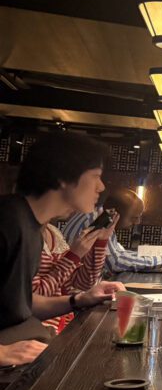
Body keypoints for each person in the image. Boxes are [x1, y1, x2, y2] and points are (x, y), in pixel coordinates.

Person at [0, 133, 122, 367]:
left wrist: (79, 299)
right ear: (63, 176)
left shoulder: (32, 227)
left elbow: (21, 305)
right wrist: (2, 353)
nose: (102, 186)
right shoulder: (8, 220)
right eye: (96, 176)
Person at [63, 187, 162, 274]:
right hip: (71, 296)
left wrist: (161, 255)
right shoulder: (95, 222)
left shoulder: (100, 216)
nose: (137, 222)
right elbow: (115, 263)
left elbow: (119, 253)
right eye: (134, 217)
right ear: (116, 212)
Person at [34, 212, 117, 333]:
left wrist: (100, 241)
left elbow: (82, 283)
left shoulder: (53, 232)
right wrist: (74, 256)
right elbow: (33, 299)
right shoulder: (24, 235)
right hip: (39, 330)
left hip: (63, 324)